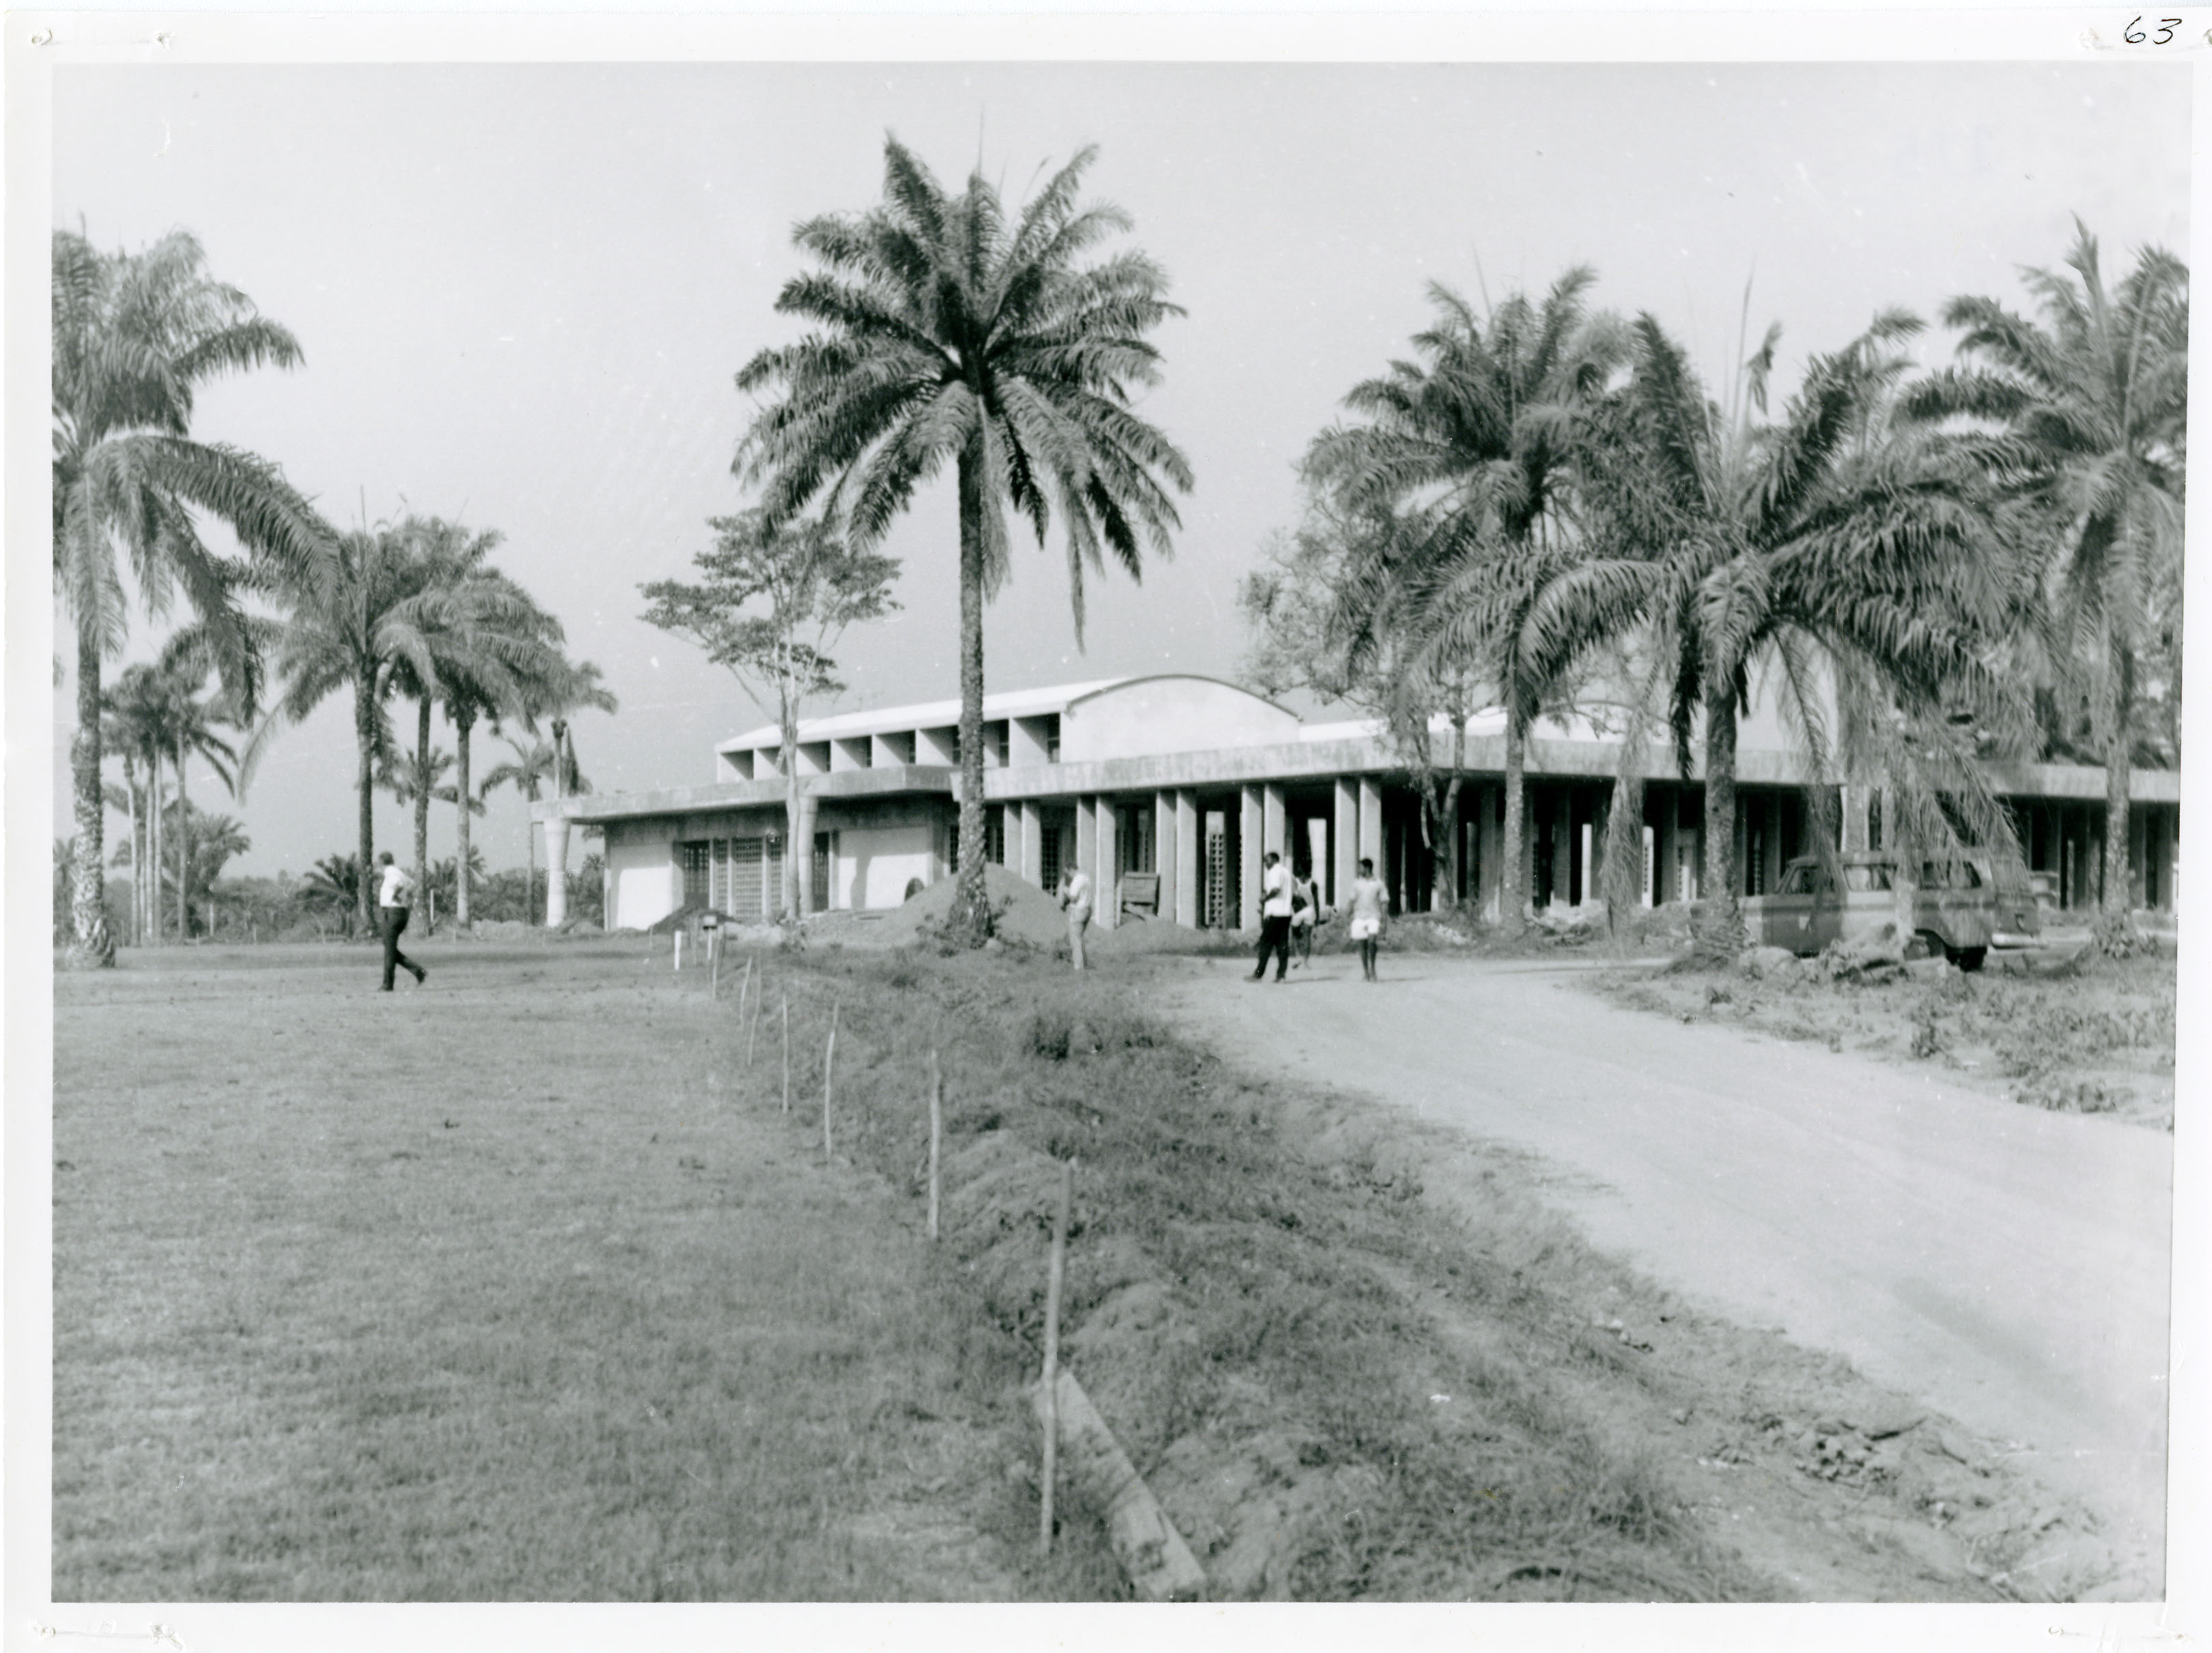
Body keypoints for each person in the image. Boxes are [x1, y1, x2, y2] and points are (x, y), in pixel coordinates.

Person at [375, 851, 427, 991]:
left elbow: (399, 885)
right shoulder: (398, 872)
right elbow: (411, 884)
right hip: (398, 912)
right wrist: (404, 897)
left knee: (389, 951)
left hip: (392, 912)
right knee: (390, 949)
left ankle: (388, 984)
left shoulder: (391, 873)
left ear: (381, 862)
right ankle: (418, 972)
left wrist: (396, 896)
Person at [1251, 851, 1293, 982]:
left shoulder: (1274, 871)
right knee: (1283, 945)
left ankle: (1258, 974)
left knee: (1266, 944)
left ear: (1274, 860)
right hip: (1286, 913)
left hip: (1274, 913)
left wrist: (1265, 899)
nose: (1265, 864)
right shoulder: (1287, 872)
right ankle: (1281, 975)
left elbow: (1275, 889)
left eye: (1267, 861)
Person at [1348, 856, 1387, 982]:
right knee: (1362, 945)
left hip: (1374, 916)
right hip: (1359, 917)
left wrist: (1385, 921)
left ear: (1368, 868)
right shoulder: (1357, 883)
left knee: (1372, 942)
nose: (1359, 870)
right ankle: (1366, 971)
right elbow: (1352, 900)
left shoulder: (1379, 883)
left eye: (1361, 867)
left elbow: (1384, 902)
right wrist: (1346, 914)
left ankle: (1373, 968)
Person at [1058, 863, 1093, 971]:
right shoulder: (1086, 879)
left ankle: (1079, 967)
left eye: (1068, 872)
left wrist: (1065, 890)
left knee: (1075, 940)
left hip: (1078, 910)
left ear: (1072, 870)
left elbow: (1073, 897)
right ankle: (1084, 963)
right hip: (1087, 909)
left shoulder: (1077, 880)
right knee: (1079, 938)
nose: (1068, 875)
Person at [1289, 870, 1321, 968]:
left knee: (1295, 934)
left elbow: (1291, 899)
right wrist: (1317, 919)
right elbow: (1316, 902)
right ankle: (1305, 962)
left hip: (1298, 911)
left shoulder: (1295, 883)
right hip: (1310, 910)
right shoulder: (1313, 884)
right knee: (1307, 936)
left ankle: (1298, 957)